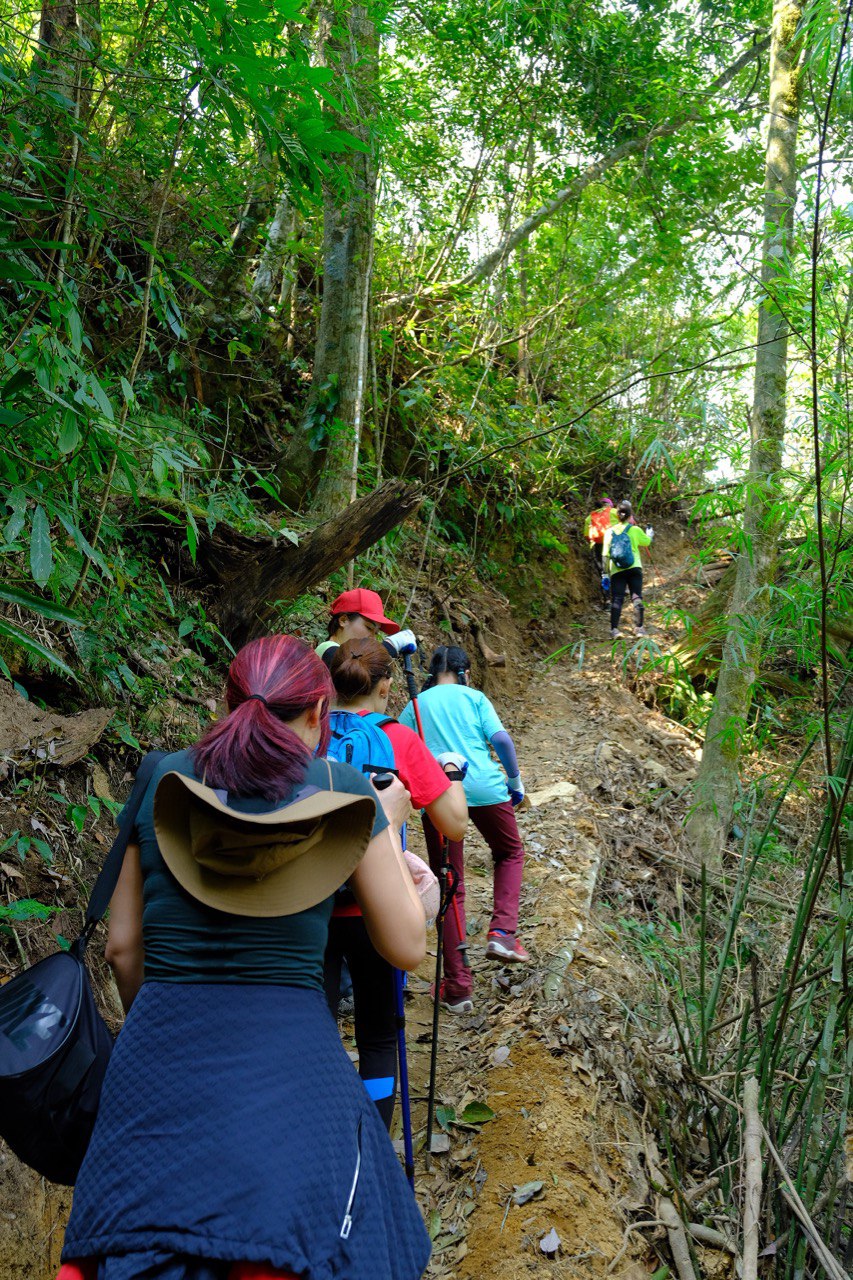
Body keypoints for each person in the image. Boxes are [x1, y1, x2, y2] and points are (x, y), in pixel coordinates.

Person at [57, 635, 431, 1280]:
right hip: (290, 1058)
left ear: (227, 705)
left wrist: (164, 1021)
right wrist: (391, 826)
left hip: (157, 1053)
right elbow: (407, 945)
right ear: (319, 714)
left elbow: (121, 947)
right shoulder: (343, 789)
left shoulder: (159, 777)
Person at [325, 637, 467, 1127]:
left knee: (313, 1033)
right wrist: (451, 776)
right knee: (379, 1036)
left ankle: (318, 1139)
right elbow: (453, 823)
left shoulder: (307, 732)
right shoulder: (399, 739)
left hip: (308, 902)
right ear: (386, 687)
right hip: (376, 908)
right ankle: (373, 1152)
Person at [399, 646, 529, 1016]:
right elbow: (501, 740)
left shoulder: (416, 705)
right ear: (465, 672)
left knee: (450, 881)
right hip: (486, 787)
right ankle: (503, 933)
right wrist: (515, 780)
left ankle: (457, 988)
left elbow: (403, 751)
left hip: (439, 794)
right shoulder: (474, 696)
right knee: (509, 852)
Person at [315, 588, 416, 671]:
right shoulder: (328, 650)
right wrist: (390, 646)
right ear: (343, 620)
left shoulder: (345, 657)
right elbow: (356, 674)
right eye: (369, 627)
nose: (372, 637)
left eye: (376, 632)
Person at [602, 499, 653, 639]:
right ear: (630, 516)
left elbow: (605, 555)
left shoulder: (609, 532)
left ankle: (614, 631)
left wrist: (605, 574)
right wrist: (649, 532)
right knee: (636, 597)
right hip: (634, 568)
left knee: (617, 599)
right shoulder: (635, 530)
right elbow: (647, 542)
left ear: (617, 515)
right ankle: (639, 629)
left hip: (616, 570)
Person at [583, 497, 618, 609]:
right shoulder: (614, 512)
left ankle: (607, 601)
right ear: (609, 506)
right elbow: (629, 523)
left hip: (600, 547)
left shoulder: (590, 518)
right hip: (614, 543)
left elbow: (587, 536)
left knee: (605, 573)